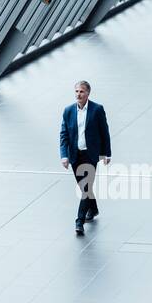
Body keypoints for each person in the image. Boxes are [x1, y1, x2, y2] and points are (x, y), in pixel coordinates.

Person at [59, 81, 111, 235]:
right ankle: (93, 209)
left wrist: (107, 153)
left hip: (90, 155)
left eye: (81, 92)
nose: (78, 94)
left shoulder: (97, 110)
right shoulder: (68, 111)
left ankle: (79, 221)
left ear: (88, 93)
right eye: (76, 91)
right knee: (85, 188)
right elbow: (64, 135)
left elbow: (104, 132)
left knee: (85, 188)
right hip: (75, 155)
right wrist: (64, 156)